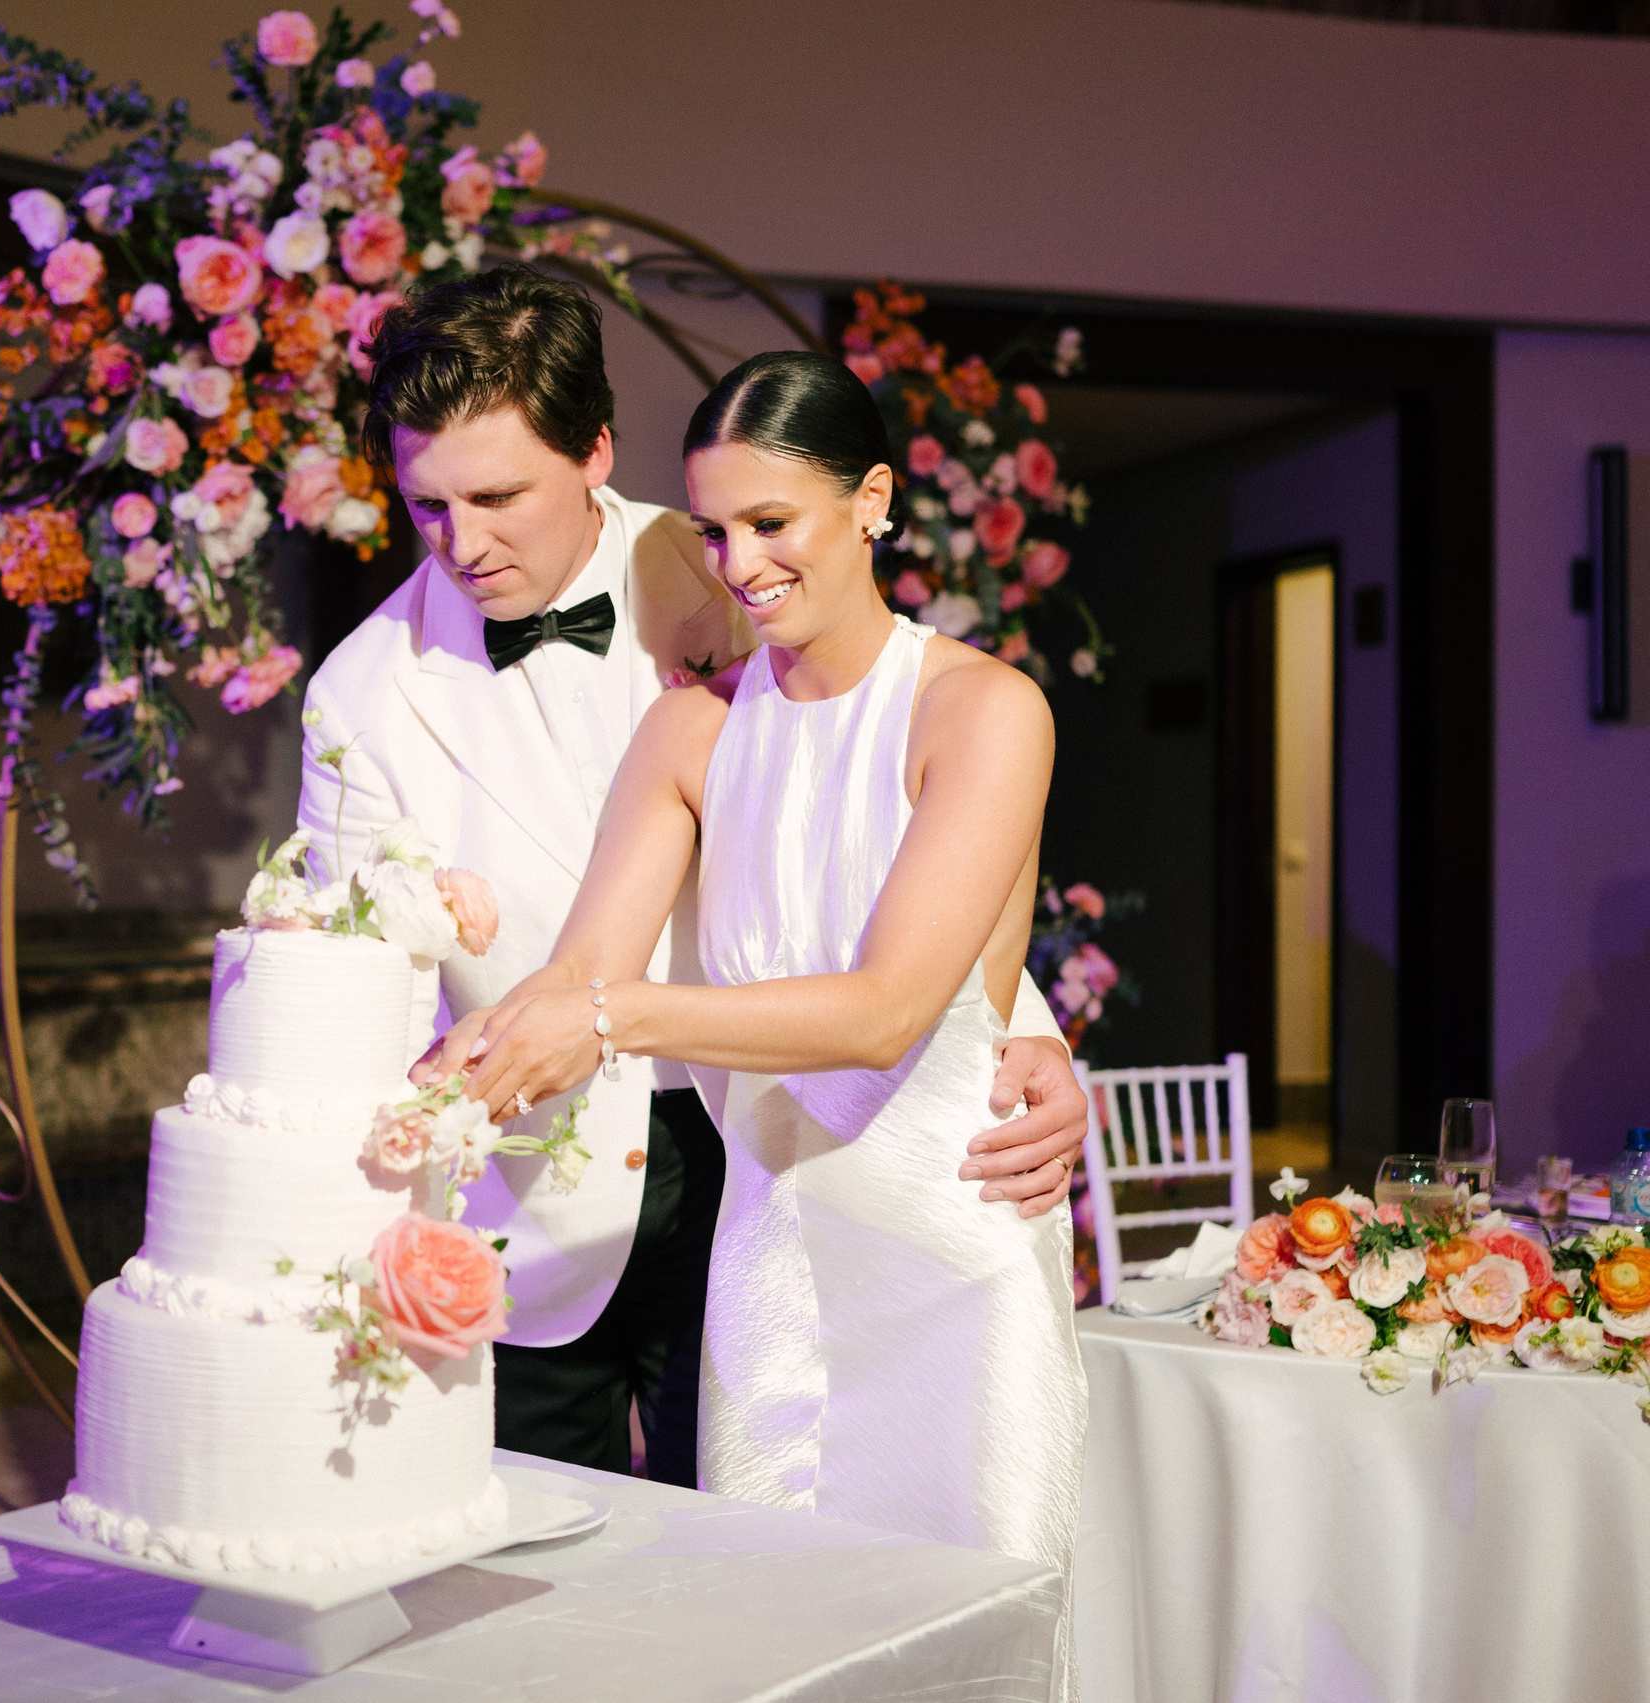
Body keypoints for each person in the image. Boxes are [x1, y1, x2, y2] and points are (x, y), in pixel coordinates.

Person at [298, 266, 1087, 1489]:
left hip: (763, 1150)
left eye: (499, 494)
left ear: (595, 452)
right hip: (539, 1179)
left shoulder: (721, 554)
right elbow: (366, 983)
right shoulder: (362, 694)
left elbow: (886, 834)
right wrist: (369, 1214)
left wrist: (1016, 1034)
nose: (464, 542)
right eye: (428, 505)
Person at [420, 346, 1088, 1697]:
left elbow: (889, 1008)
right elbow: (580, 969)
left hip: (952, 1262)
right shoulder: (691, 733)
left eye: (770, 522)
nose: (736, 562)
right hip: (774, 1251)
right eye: (715, 528)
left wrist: (608, 1015)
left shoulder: (986, 709)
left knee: (981, 1647)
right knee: (773, 1643)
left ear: (874, 501)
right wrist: (447, 1069)